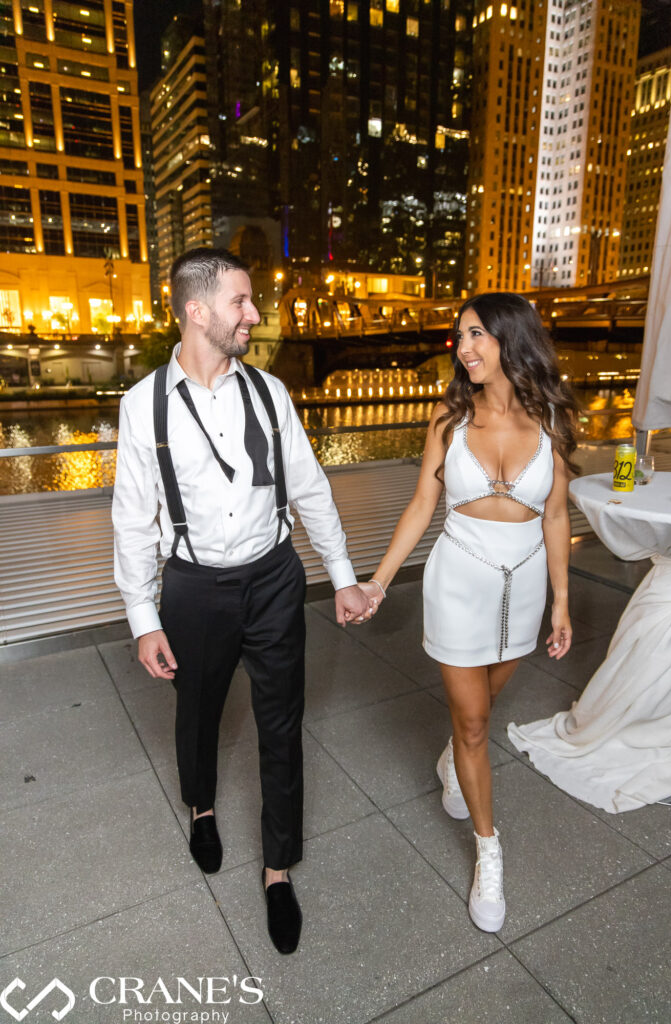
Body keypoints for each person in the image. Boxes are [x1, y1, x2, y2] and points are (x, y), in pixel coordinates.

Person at [112, 248, 372, 955]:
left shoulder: (269, 393)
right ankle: (201, 809)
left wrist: (342, 574)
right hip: (193, 588)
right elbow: (135, 520)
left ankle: (277, 871)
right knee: (195, 712)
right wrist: (143, 618)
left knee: (281, 725)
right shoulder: (143, 406)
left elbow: (311, 488)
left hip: (274, 578)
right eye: (241, 302)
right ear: (197, 312)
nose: (253, 315)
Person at [358, 293, 578, 933]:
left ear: (513, 337)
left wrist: (562, 601)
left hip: (526, 585)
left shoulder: (553, 421)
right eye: (460, 337)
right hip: (458, 580)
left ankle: (454, 757)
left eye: (477, 334)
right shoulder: (448, 420)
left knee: (483, 704)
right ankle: (489, 850)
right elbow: (422, 506)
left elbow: (557, 516)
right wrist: (378, 581)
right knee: (475, 721)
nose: (464, 348)